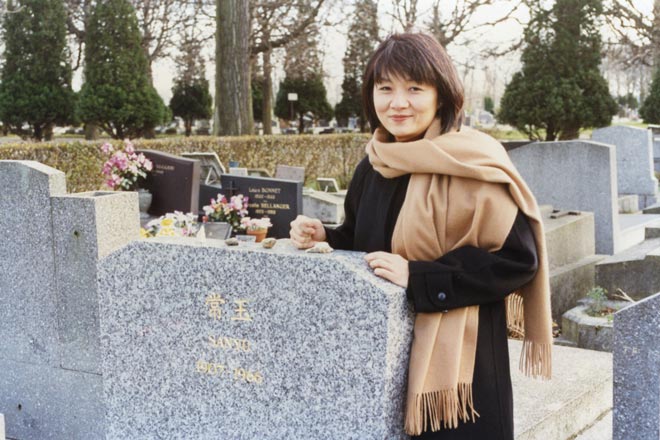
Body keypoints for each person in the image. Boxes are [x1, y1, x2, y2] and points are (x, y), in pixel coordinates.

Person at [289, 32, 552, 439]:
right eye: (385, 88)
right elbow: (364, 240)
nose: (398, 103)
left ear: (441, 95)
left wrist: (419, 276)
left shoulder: (473, 164)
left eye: (414, 88)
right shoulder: (373, 165)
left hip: (461, 378)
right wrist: (326, 235)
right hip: (378, 356)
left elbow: (517, 261)